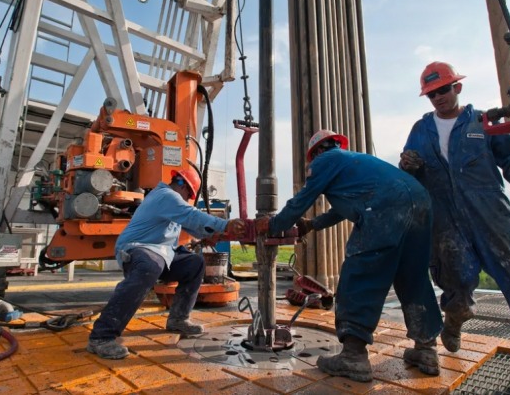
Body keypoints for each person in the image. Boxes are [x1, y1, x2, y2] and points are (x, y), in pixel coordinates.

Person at [399, 61, 510, 379]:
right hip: (446, 222)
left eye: (442, 90)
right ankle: (454, 320)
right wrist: (408, 167)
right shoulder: (420, 130)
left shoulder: (483, 122)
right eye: (431, 94)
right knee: (456, 282)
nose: (438, 98)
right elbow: (409, 173)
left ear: (457, 87)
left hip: (490, 216)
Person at [255, 130, 443, 382]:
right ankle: (426, 349)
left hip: (384, 208)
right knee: (413, 277)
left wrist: (274, 224)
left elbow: (301, 200)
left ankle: (353, 356)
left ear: (317, 152)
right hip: (419, 201)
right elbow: (342, 210)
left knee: (360, 274)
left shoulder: (325, 161)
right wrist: (312, 225)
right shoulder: (356, 162)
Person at [87, 168, 246, 359]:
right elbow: (191, 215)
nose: (187, 199)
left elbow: (191, 225)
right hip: (137, 249)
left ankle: (178, 319)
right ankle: (101, 337)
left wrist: (212, 235)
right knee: (150, 267)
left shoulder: (171, 203)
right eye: (189, 194)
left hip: (161, 254)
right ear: (181, 184)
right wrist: (225, 224)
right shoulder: (165, 196)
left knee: (194, 263)